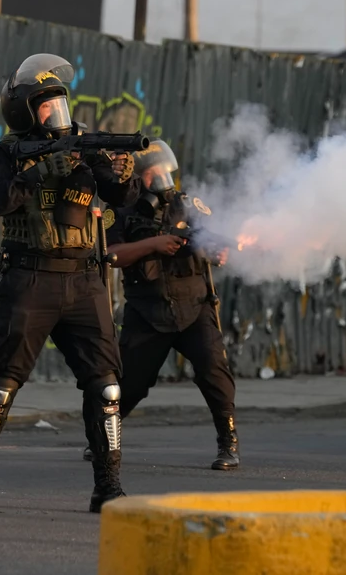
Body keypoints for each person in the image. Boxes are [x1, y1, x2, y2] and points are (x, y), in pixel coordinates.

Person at [0, 53, 140, 513]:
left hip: (84, 279)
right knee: (1, 386)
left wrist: (119, 173)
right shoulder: (0, 155)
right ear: (20, 109)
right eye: (44, 104)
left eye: (59, 101)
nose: (55, 112)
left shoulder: (81, 146)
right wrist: (38, 173)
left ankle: (108, 488)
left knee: (107, 387)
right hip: (30, 279)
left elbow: (122, 199)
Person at [83, 140, 239, 470]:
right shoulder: (120, 210)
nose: (159, 179)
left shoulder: (190, 205)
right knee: (130, 384)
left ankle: (228, 442)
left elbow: (215, 240)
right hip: (148, 311)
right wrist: (155, 244)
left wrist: (218, 251)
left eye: (162, 172)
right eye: (151, 173)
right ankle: (103, 438)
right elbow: (111, 255)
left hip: (194, 306)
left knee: (214, 371)